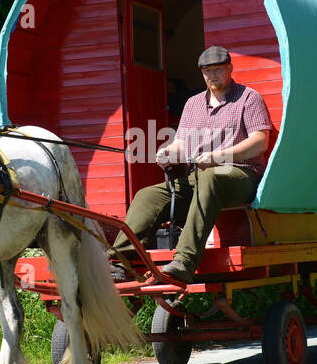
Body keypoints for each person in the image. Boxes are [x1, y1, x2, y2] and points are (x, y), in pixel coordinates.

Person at [111, 45, 274, 283]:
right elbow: (181, 145)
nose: (212, 76)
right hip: (199, 176)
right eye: (207, 71)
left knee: (210, 177)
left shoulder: (248, 98)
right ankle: (119, 263)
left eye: (217, 69)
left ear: (229, 68)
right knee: (147, 196)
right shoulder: (193, 104)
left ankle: (183, 262)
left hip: (241, 174)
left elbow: (260, 142)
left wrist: (218, 157)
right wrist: (166, 153)